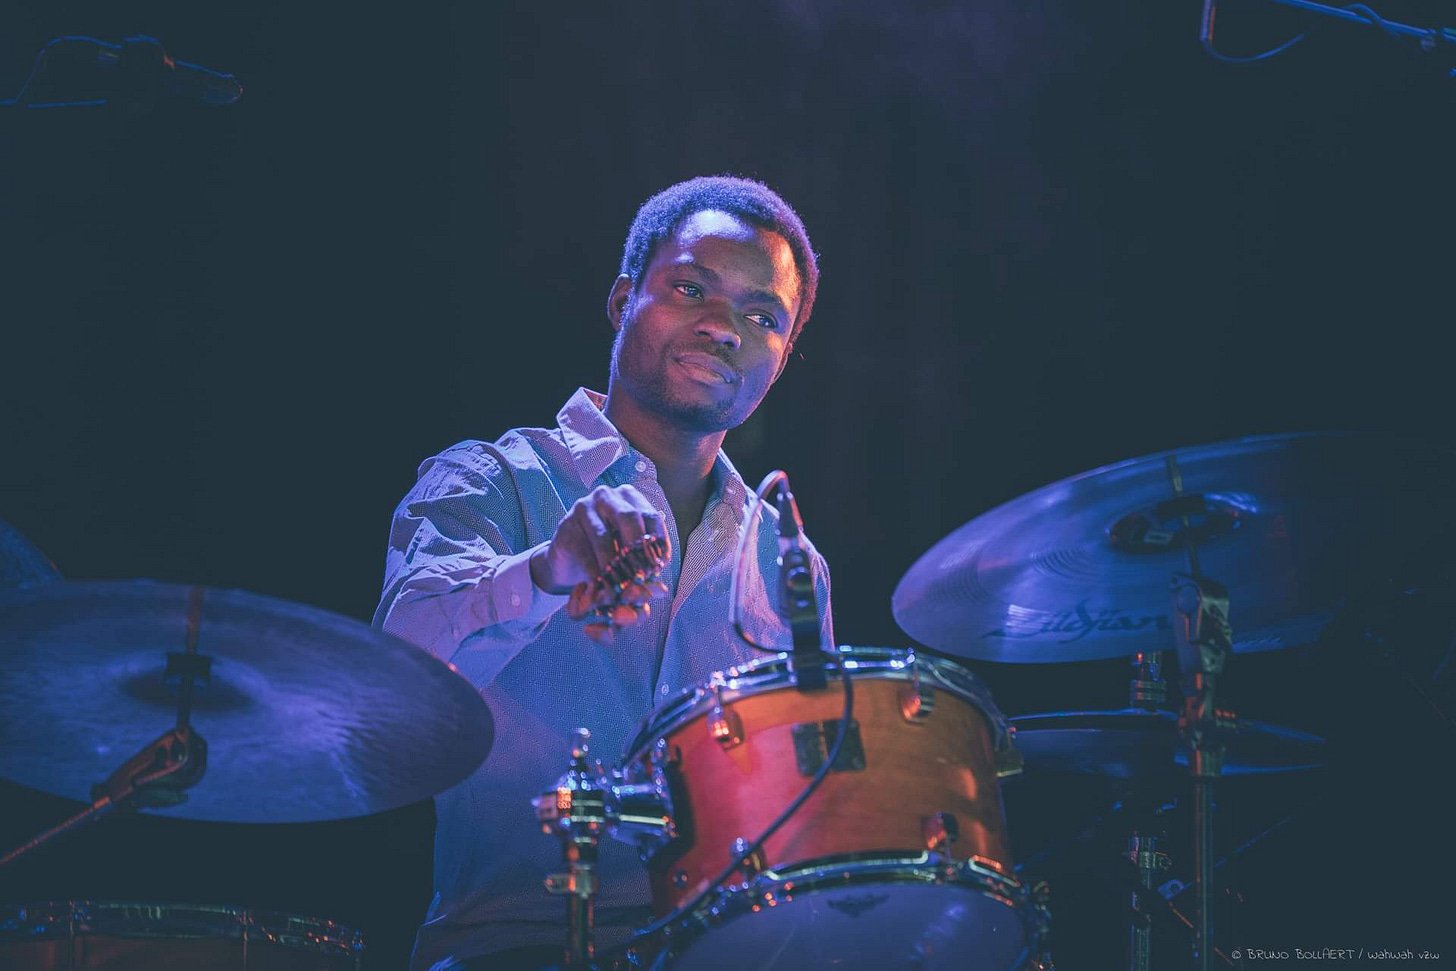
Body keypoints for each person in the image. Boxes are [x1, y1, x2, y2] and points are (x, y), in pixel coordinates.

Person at [374, 175, 834, 971]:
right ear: (624, 300)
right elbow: (393, 686)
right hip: (510, 950)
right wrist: (548, 570)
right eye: (691, 288)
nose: (725, 327)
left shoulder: (789, 560)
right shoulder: (487, 479)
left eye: (763, 317)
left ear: (783, 357)